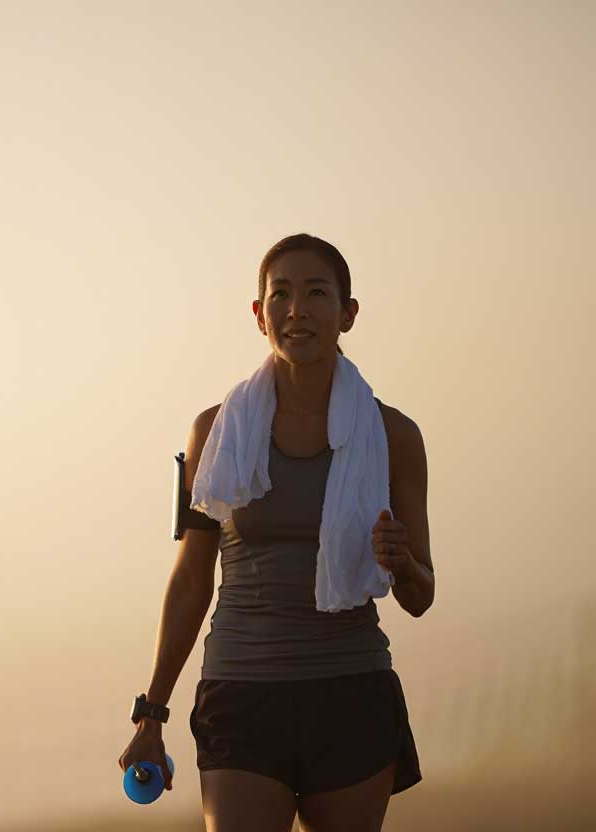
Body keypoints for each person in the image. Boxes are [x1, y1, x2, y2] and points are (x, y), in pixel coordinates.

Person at [118, 233, 435, 832]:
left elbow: (421, 596)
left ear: (348, 312)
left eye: (316, 294)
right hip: (242, 694)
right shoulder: (216, 432)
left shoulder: (394, 436)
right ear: (260, 315)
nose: (297, 310)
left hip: (351, 693)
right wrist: (151, 713)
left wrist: (401, 563)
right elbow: (191, 582)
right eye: (281, 295)